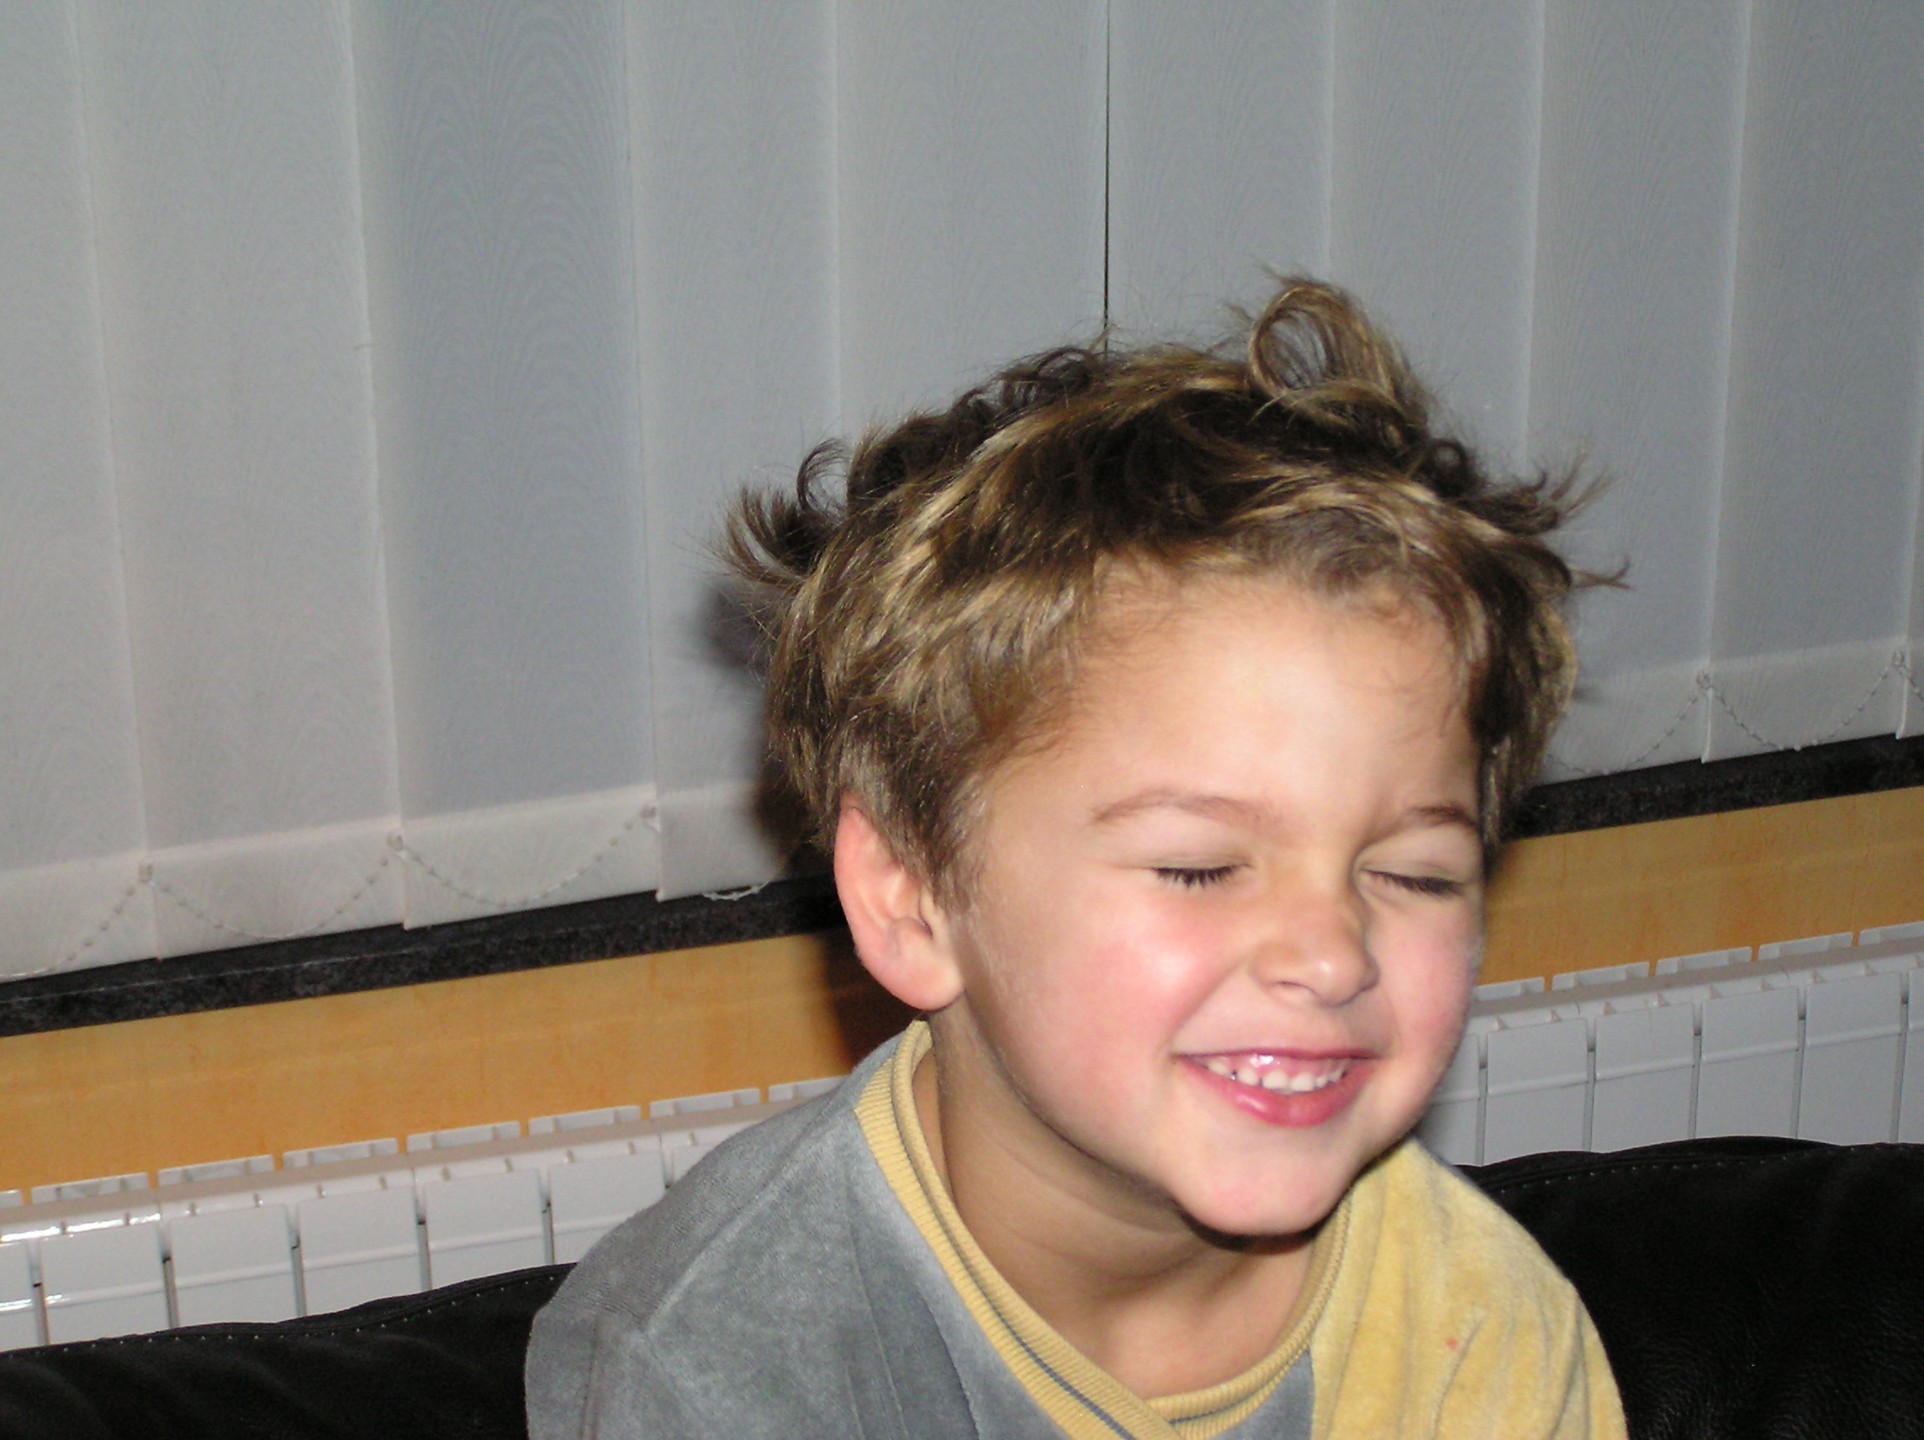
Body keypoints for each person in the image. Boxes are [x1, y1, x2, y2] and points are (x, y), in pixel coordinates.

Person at [526, 278, 1628, 1438]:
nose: (1332, 954)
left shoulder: (1477, 1325)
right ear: (911, 898)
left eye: (1414, 874)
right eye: (1199, 867)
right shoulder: (712, 1366)